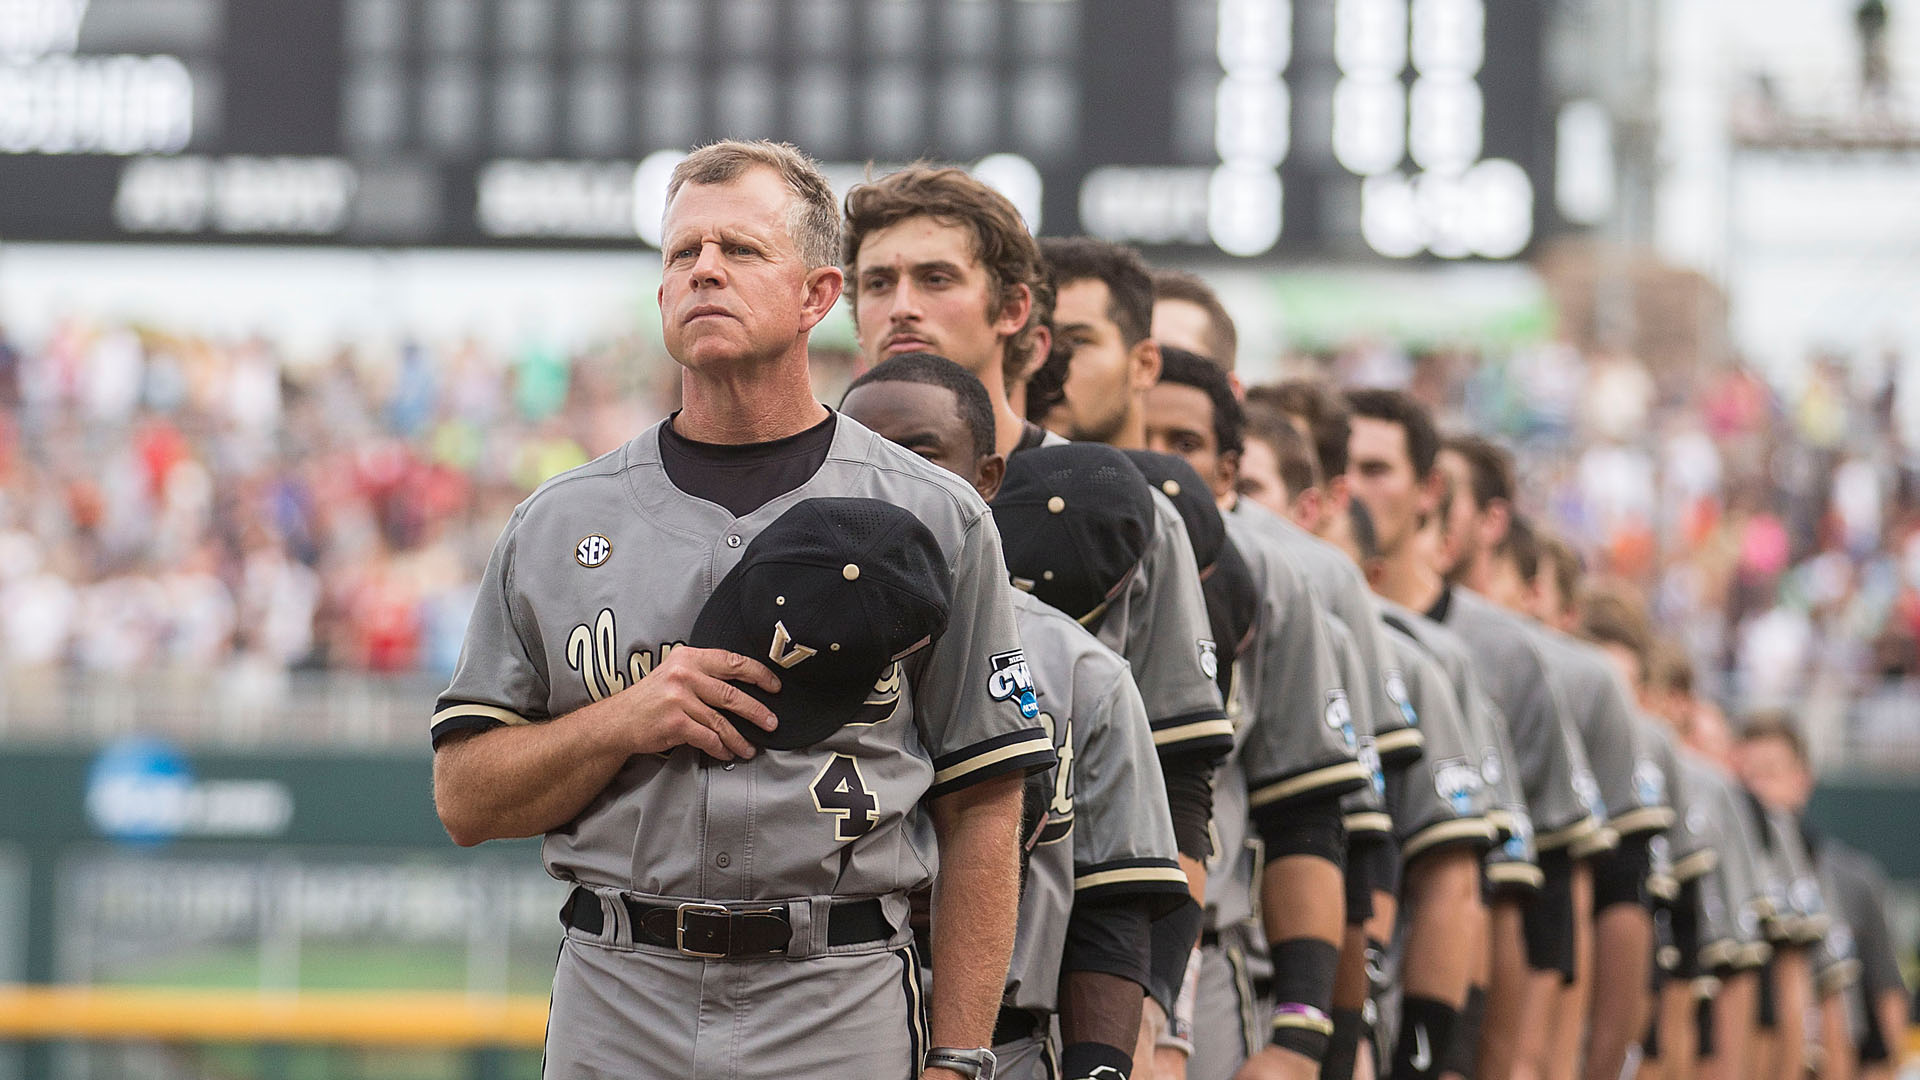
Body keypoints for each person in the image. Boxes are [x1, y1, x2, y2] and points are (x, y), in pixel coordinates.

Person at [431, 141, 1055, 1080]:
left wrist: (963, 1056)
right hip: (619, 982)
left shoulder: (933, 511)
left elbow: (985, 801)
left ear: (817, 296)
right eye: (683, 254)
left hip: (834, 993)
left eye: (741, 250)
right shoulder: (558, 521)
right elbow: (465, 798)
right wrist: (624, 721)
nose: (705, 270)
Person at [841, 352, 1191, 1080]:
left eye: (921, 453)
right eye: (860, 453)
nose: (888, 478)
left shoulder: (1078, 668)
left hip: (1006, 1044)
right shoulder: (779, 638)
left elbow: (1113, 905)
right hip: (822, 1032)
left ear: (986, 480)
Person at [1140, 347, 1373, 1080]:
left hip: (1211, 955)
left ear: (1227, 471)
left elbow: (1315, 814)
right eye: (1140, 435)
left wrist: (1308, 1033)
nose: (1160, 462)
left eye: (1185, 444)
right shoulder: (1037, 544)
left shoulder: (1282, 576)